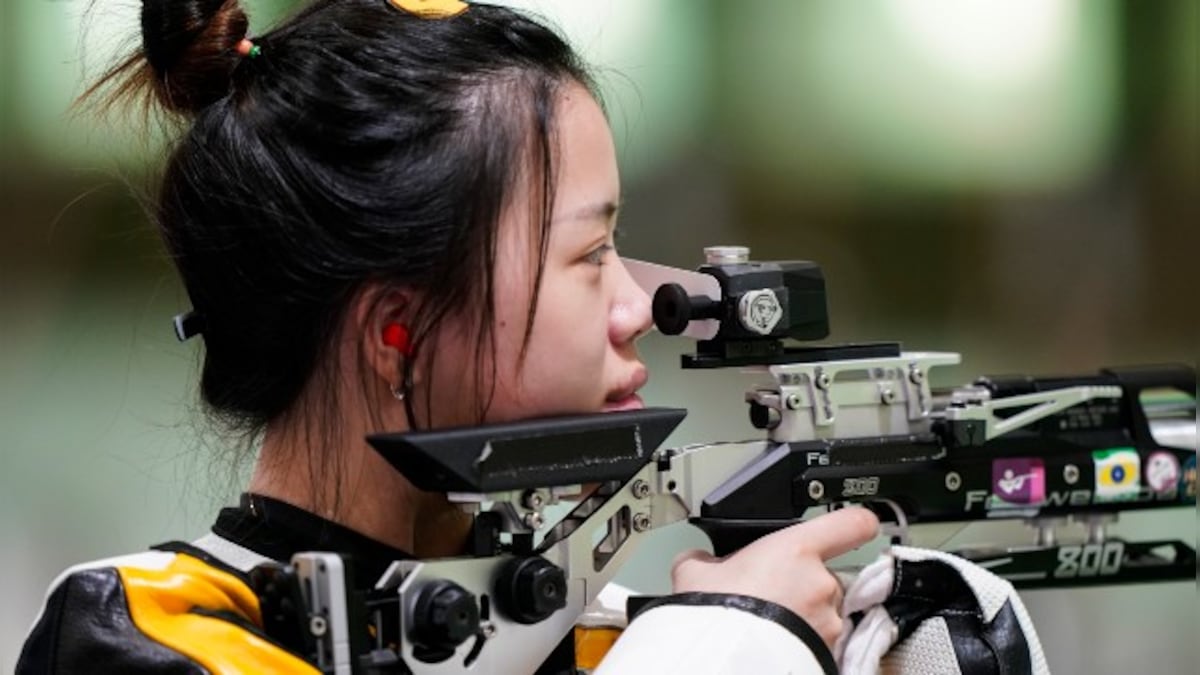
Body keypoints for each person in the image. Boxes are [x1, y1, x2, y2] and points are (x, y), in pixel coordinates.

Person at [16, 0, 879, 673]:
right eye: (589, 254)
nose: (638, 306)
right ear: (399, 332)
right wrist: (733, 648)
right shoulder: (137, 637)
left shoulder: (598, 633)